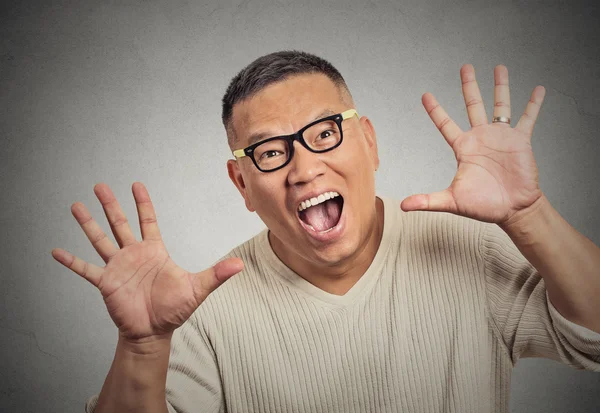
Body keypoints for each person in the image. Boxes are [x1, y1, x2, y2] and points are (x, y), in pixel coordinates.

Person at [52, 50, 600, 413]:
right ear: (241, 183)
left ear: (369, 142)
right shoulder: (201, 316)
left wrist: (528, 215)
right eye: (270, 152)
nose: (304, 168)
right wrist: (144, 348)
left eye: (324, 133)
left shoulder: (469, 248)